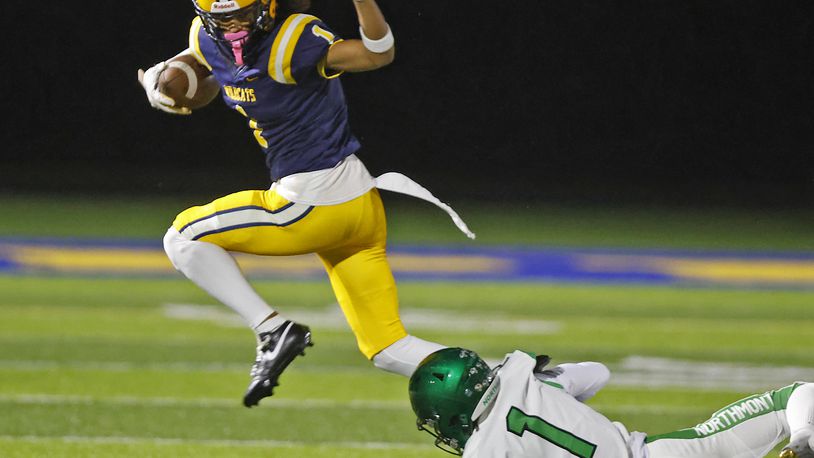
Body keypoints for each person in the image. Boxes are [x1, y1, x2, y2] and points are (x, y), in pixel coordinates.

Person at [137, 0, 475, 408]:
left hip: (313, 203)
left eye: (242, 14)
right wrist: (164, 84)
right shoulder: (205, 38)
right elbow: (192, 69)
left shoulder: (292, 38)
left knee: (183, 237)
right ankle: (514, 378)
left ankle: (271, 330)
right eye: (222, 18)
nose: (233, 26)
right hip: (358, 207)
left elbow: (377, 53)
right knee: (387, 348)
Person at [408, 347, 814, 457]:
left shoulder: (483, 450)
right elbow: (597, 373)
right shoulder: (524, 381)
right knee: (791, 400)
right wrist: (546, 387)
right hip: (660, 455)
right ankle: (801, 439)